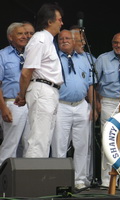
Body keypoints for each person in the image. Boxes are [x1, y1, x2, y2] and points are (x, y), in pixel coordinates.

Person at [14, 3, 64, 158]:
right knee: (38, 139)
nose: (62, 23)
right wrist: (22, 96)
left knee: (45, 138)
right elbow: (27, 71)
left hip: (49, 91)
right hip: (42, 89)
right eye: (59, 20)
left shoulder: (48, 40)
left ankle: (40, 178)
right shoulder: (40, 39)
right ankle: (32, 181)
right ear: (50, 22)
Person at [50, 29, 96, 190]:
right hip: (61, 105)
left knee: (82, 145)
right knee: (59, 145)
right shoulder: (53, 57)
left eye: (67, 38)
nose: (64, 40)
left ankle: (80, 179)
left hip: (81, 105)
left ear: (75, 40)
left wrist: (93, 106)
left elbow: (90, 84)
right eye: (61, 38)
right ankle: (59, 179)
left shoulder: (84, 59)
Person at [95, 31, 120, 189]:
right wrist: (97, 104)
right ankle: (106, 180)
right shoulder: (103, 59)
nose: (118, 45)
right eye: (115, 42)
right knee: (109, 141)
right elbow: (94, 84)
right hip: (109, 102)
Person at [0, 22, 29, 166]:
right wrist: (3, 107)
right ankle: (2, 181)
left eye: (25, 34)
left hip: (31, 103)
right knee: (10, 144)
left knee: (29, 145)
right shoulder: (2, 55)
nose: (24, 36)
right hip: (12, 103)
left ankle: (25, 182)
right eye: (20, 34)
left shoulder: (30, 53)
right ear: (10, 37)